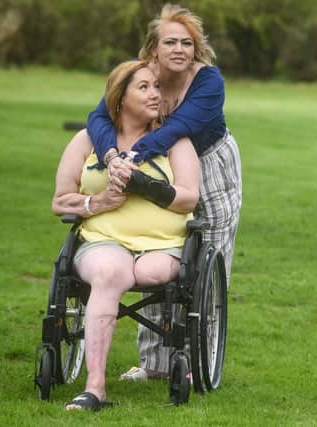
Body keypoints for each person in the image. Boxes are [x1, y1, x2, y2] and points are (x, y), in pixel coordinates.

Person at [86, 3, 242, 382]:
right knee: (152, 247)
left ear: (196, 48)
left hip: (210, 166)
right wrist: (111, 155)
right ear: (153, 48)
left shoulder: (208, 81)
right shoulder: (139, 76)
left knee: (206, 261)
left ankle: (195, 361)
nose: (178, 49)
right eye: (169, 42)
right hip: (153, 169)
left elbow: (180, 128)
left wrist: (130, 155)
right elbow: (99, 116)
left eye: (186, 43)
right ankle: (153, 364)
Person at [52, 59, 200, 411]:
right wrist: (98, 201)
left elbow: (190, 197)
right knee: (109, 273)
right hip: (105, 240)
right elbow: (60, 200)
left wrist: (144, 185)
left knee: (149, 272)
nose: (155, 94)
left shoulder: (175, 141)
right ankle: (95, 388)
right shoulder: (86, 140)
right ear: (120, 98)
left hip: (163, 244)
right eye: (144, 87)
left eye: (157, 88)